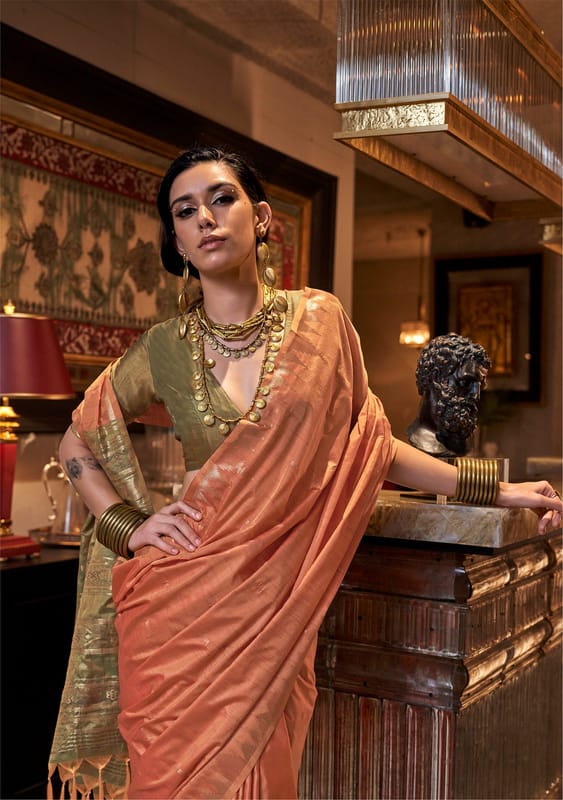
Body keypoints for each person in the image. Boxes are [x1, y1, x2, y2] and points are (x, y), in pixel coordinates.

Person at [48, 146, 562, 799]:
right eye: (185, 210)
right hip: (175, 611)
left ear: (261, 217)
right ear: (177, 242)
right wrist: (129, 526)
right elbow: (76, 439)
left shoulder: (319, 321)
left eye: (221, 198)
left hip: (272, 610)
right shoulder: (163, 351)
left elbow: (373, 448)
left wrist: (501, 489)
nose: (205, 217)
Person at [406, 333, 491, 457]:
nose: (476, 396)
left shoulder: (464, 442)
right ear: (436, 378)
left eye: (480, 386)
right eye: (466, 382)